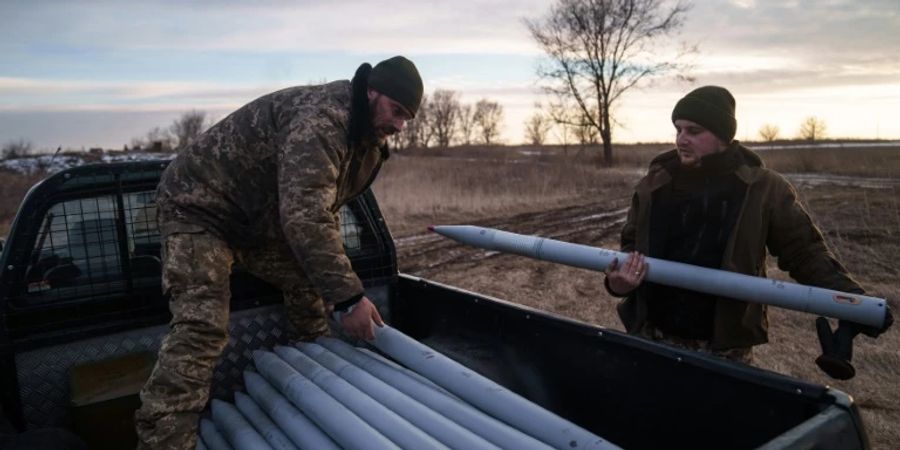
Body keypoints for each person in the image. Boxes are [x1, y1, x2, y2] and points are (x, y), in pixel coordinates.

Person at [134, 56, 424, 449]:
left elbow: (325, 211)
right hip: (201, 210)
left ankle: (310, 373)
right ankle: (163, 440)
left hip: (256, 220)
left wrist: (337, 289)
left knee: (308, 279)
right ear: (373, 91)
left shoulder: (365, 138)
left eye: (407, 117)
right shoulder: (322, 120)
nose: (399, 125)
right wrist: (351, 296)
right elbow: (306, 216)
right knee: (201, 327)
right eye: (396, 111)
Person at [604, 85, 868, 364]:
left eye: (694, 131)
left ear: (722, 135)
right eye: (678, 130)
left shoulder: (764, 188)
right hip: (650, 335)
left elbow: (804, 252)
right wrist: (619, 283)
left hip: (722, 349)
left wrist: (853, 300)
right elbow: (631, 248)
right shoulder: (655, 183)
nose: (681, 139)